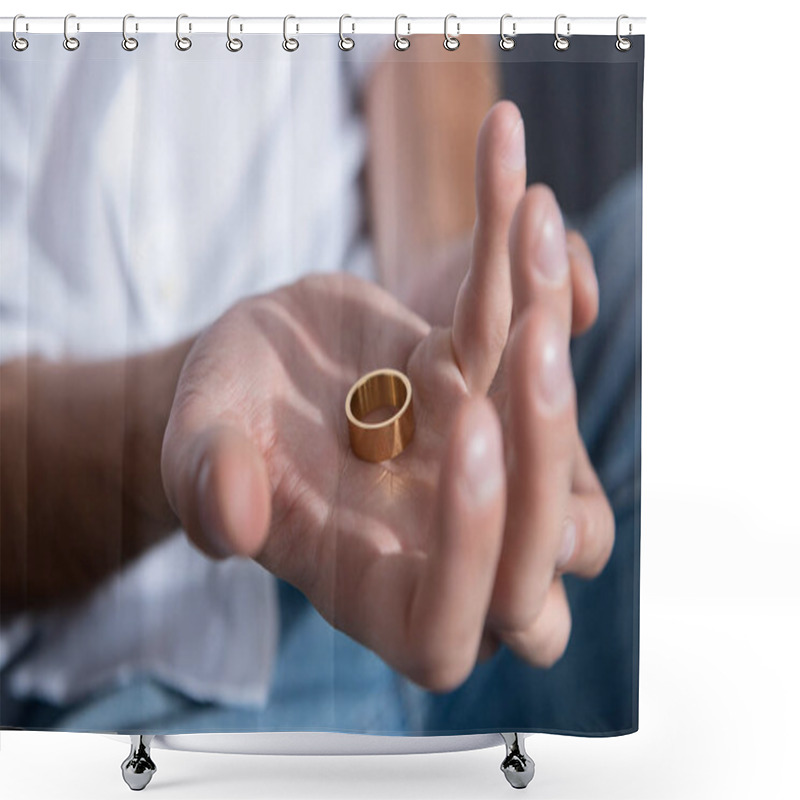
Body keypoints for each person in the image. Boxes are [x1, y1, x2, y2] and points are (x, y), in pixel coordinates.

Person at [0, 33, 638, 735]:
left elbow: (417, 45)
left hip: (429, 456)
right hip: (133, 670)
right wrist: (192, 411)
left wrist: (452, 301)